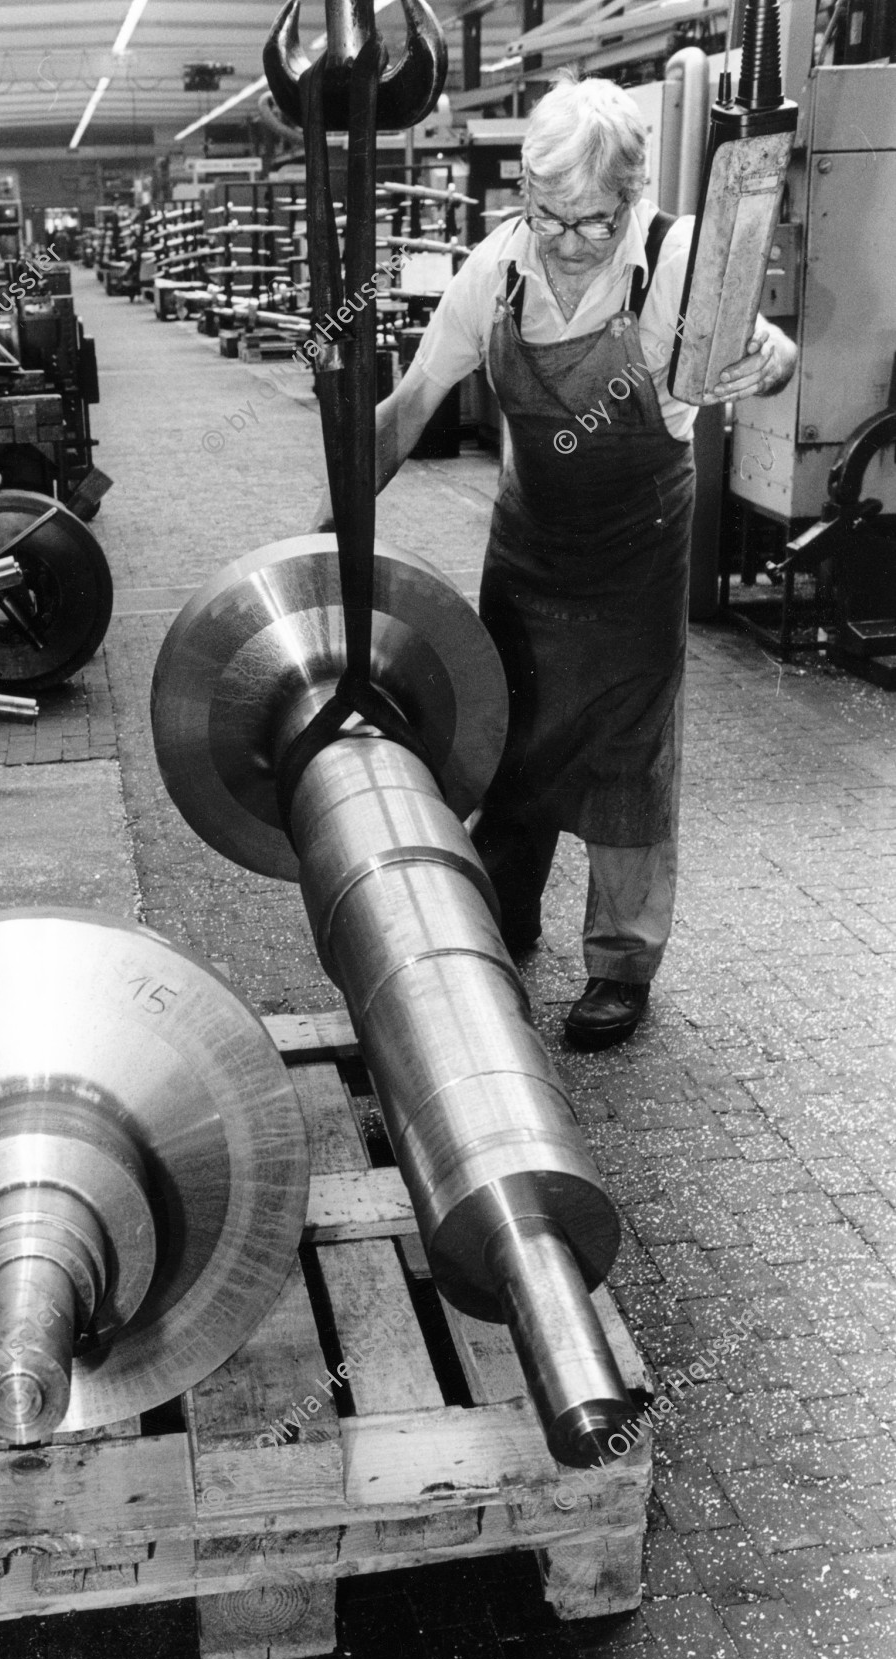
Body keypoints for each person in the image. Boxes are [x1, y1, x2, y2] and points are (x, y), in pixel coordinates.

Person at [337, 72, 796, 1050]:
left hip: (636, 561)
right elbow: (413, 403)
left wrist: (778, 361)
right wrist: (330, 527)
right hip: (530, 551)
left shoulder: (676, 262)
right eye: (548, 215)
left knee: (632, 757)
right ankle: (501, 913)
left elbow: (766, 345)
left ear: (629, 202)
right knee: (512, 736)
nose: (568, 241)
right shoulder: (496, 269)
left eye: (592, 222)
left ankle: (620, 966)